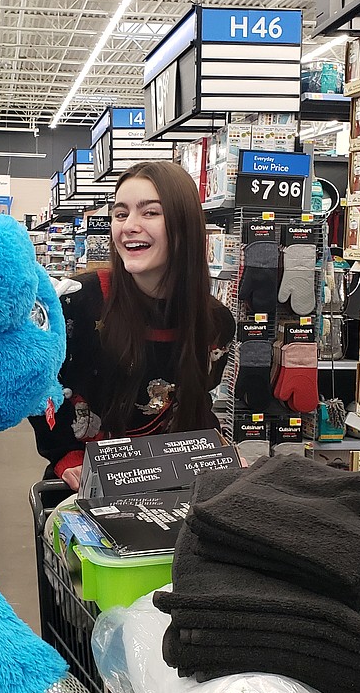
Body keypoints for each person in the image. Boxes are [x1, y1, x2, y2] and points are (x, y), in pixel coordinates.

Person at [30, 160, 236, 490]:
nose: (129, 226)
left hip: (171, 482)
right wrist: (65, 456)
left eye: (150, 213)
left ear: (184, 225)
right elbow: (36, 387)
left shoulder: (215, 324)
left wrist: (221, 456)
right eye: (121, 213)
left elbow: (196, 407)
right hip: (82, 484)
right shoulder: (74, 303)